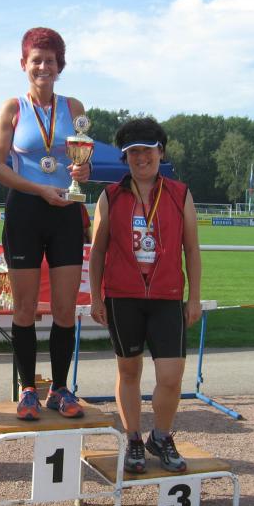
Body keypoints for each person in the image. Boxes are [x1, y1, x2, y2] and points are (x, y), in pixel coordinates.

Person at [0, 27, 90, 421]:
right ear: (23, 64)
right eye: (36, 60)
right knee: (25, 307)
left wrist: (83, 171)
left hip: (65, 210)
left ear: (59, 66)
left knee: (65, 307)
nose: (43, 67)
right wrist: (38, 189)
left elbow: (84, 160)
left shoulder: (74, 106)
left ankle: (60, 389)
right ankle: (28, 389)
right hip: (26, 211)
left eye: (50, 60)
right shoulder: (12, 108)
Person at [88, 117, 202, 474]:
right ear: (125, 157)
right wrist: (95, 297)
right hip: (123, 296)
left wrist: (194, 297)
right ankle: (134, 438)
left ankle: (161, 436)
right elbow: (97, 251)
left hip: (167, 296)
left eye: (147, 150)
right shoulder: (110, 196)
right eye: (133, 152)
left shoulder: (180, 194)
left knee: (171, 375)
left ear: (160, 152)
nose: (141, 158)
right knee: (129, 370)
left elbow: (192, 249)